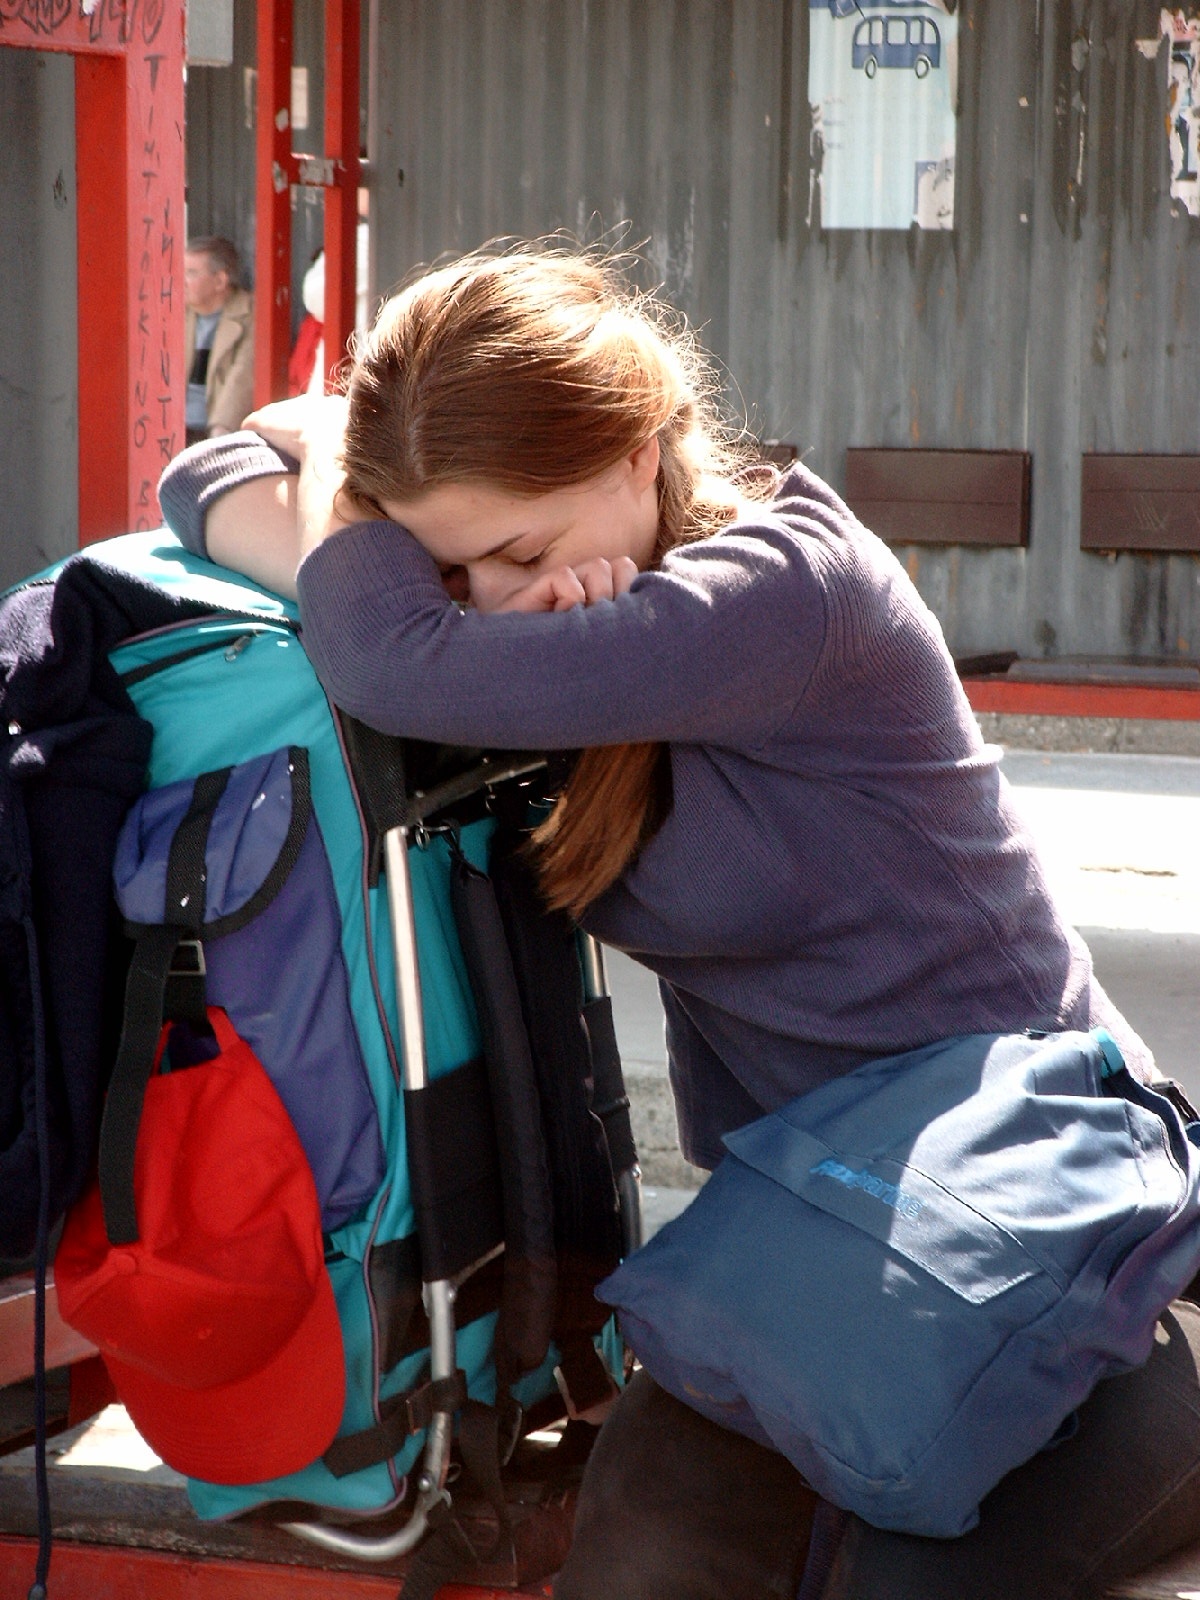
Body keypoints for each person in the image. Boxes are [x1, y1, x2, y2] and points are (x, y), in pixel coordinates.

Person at [156, 243, 1200, 1600]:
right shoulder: (564, 633)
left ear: (638, 454)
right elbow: (200, 483)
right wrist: (365, 512)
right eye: (453, 574)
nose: (501, 604)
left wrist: (342, 484)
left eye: (521, 551)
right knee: (642, 1546)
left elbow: (383, 654)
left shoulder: (785, 591)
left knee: (899, 1574)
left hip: (1040, 1212)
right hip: (815, 1254)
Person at [183, 236, 254, 444]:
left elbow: (242, 376)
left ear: (220, 281)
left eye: (191, 273)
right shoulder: (175, 312)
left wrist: (220, 432)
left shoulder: (251, 314)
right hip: (175, 429)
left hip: (218, 434)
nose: (181, 280)